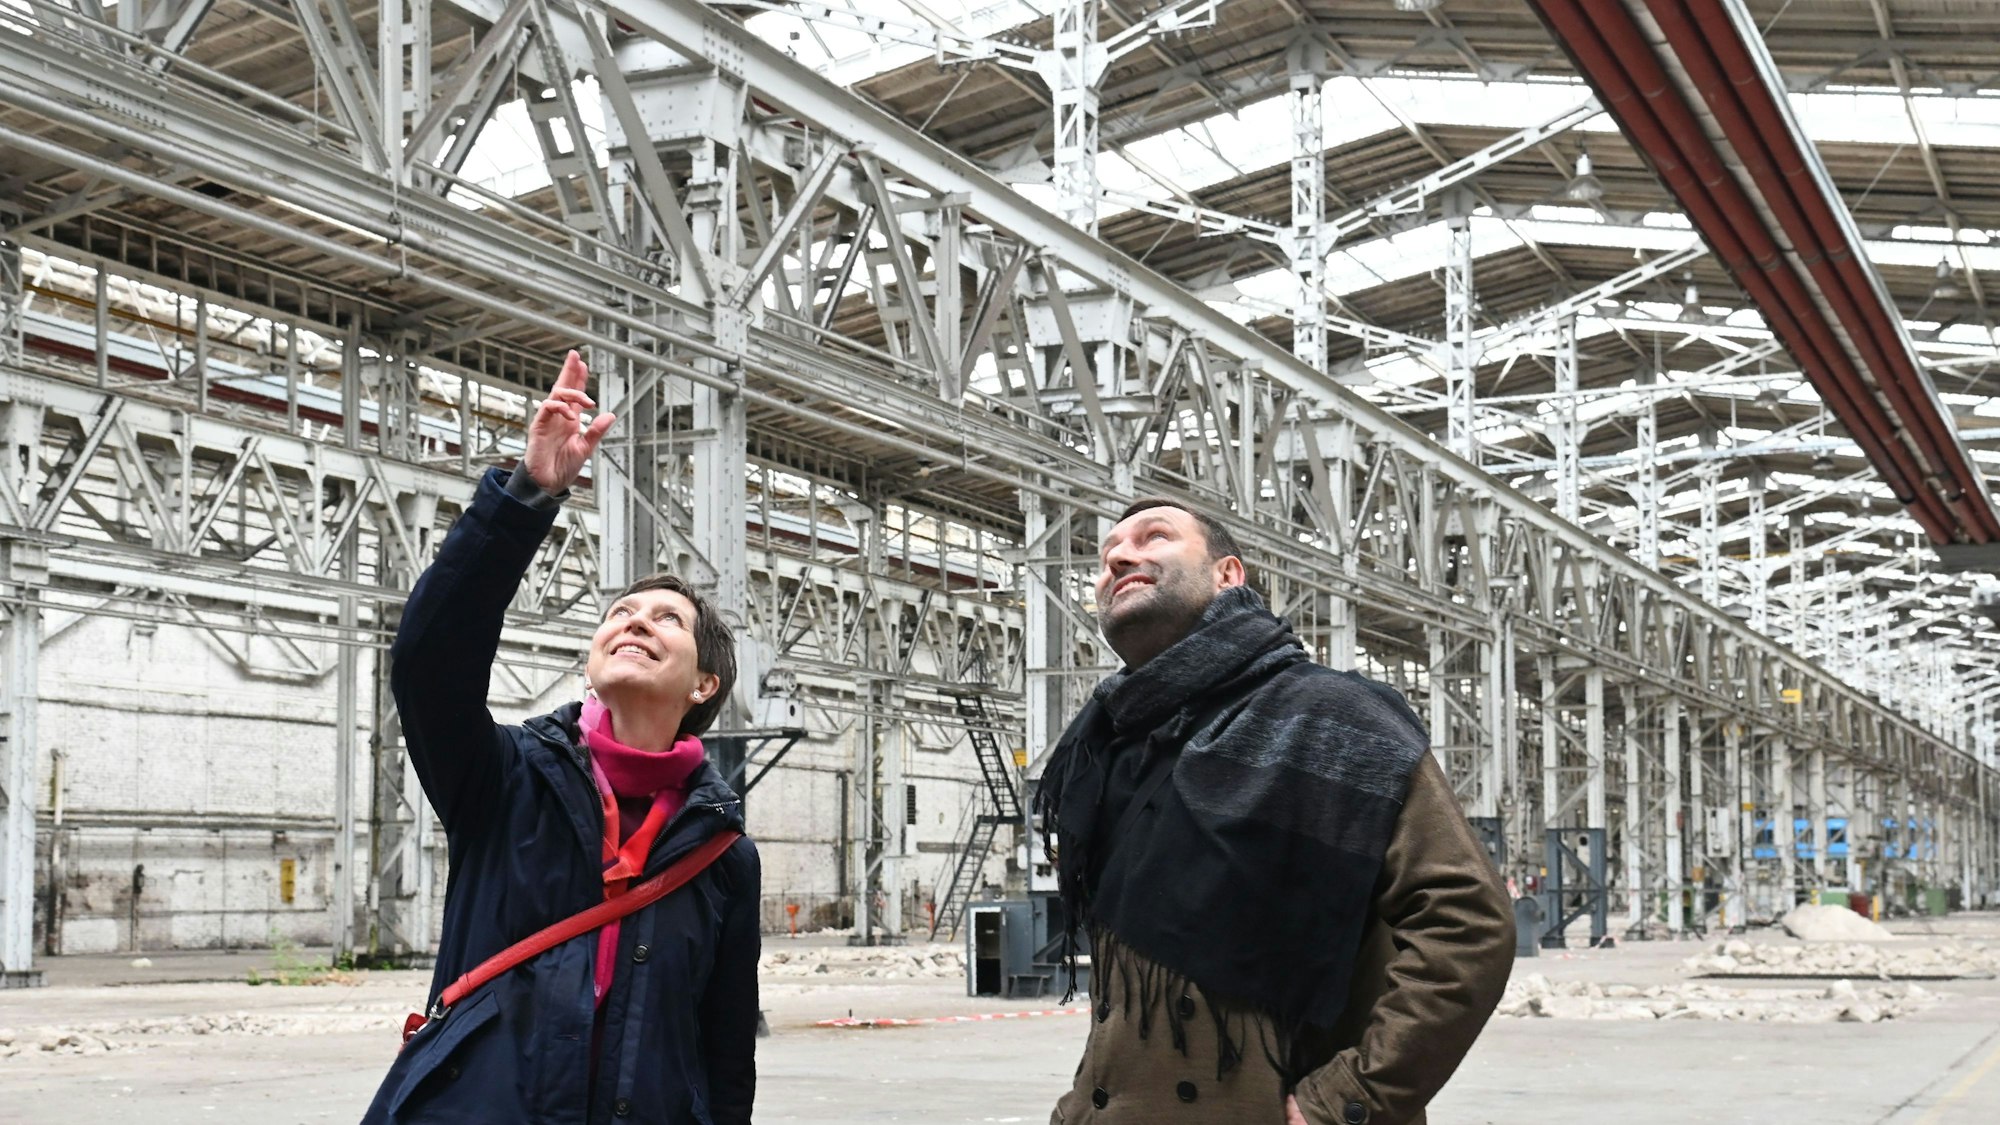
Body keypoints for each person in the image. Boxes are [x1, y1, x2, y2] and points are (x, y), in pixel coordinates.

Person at [361, 351, 760, 1125]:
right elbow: (428, 660)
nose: (636, 619)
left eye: (667, 620)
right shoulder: (506, 783)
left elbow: (723, 1049)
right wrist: (526, 498)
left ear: (704, 685)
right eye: (620, 614)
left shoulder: (722, 856)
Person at [1036, 498, 1514, 1125]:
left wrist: (1351, 1099)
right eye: (1108, 555)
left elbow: (1468, 922)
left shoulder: (1331, 716)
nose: (1121, 555)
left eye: (1156, 537)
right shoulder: (1110, 749)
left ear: (1228, 575)